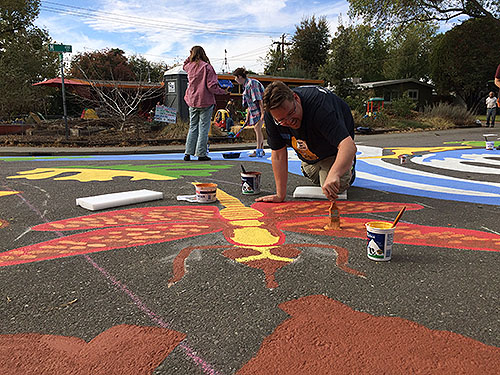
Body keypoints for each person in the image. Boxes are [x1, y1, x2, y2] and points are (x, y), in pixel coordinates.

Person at [256, 81, 357, 203]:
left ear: (296, 98)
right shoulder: (271, 115)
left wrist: (335, 173)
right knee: (313, 173)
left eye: (291, 113)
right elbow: (278, 154)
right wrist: (280, 195)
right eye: (282, 120)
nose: (289, 121)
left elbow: (348, 145)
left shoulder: (320, 106)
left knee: (332, 186)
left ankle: (348, 165)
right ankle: (325, 166)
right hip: (311, 149)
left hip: (334, 148)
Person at [183, 46, 227, 161]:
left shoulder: (189, 67)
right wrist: (223, 91)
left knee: (193, 127)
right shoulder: (207, 67)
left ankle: (188, 152)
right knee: (203, 128)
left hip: (192, 101)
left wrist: (190, 55)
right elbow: (212, 86)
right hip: (205, 101)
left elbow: (184, 64)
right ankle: (201, 154)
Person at [233, 68, 265, 157]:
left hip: (259, 109)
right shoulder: (246, 85)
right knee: (256, 129)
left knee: (257, 128)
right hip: (254, 110)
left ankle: (259, 150)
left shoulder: (252, 84)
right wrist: (247, 117)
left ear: (239, 76)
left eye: (235, 77)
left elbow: (259, 100)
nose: (235, 80)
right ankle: (260, 150)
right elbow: (249, 103)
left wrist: (262, 113)